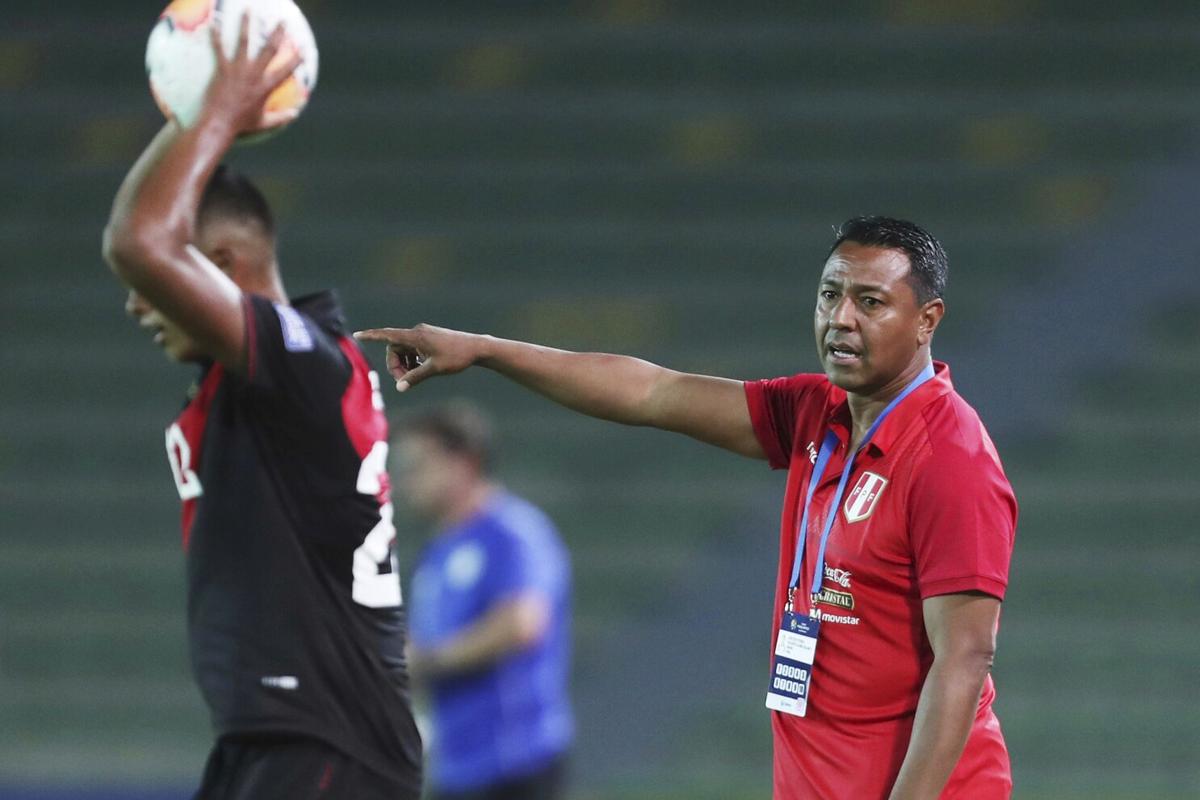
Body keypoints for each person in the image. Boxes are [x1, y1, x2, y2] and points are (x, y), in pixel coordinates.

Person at [355, 216, 1017, 799]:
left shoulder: (950, 459)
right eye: (829, 295)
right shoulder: (816, 414)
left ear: (928, 320)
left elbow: (963, 661)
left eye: (870, 302)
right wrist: (486, 351)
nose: (841, 318)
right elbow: (652, 392)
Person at [101, 20, 422, 800]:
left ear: (217, 267)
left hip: (326, 743)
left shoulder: (305, 363)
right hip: (284, 739)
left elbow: (138, 241)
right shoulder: (274, 376)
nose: (136, 304)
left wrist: (210, 112)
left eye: (164, 286)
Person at [394, 404, 573, 800]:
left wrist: (429, 660)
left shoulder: (512, 533)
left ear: (463, 463)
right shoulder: (438, 551)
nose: (407, 481)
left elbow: (522, 622)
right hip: (456, 768)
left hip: (515, 764)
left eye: (419, 465)